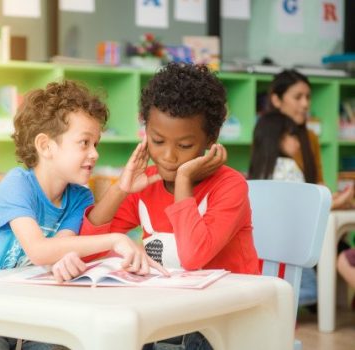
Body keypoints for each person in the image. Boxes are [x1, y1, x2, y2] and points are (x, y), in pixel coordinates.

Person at [0, 80, 165, 350]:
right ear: (45, 146)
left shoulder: (80, 196)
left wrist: (63, 262)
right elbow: (39, 250)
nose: (94, 153)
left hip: (32, 315)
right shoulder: (17, 185)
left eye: (96, 143)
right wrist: (115, 240)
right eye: (84, 142)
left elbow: (60, 248)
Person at [80, 63, 260, 350]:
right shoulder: (145, 183)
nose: (168, 156)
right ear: (145, 132)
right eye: (157, 140)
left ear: (209, 141)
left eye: (185, 145)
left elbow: (193, 256)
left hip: (226, 317)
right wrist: (121, 188)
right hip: (170, 311)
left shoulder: (231, 186)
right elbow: (89, 247)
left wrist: (184, 181)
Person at [248, 110, 318, 307]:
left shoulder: (258, 171)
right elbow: (304, 207)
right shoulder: (289, 167)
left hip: (262, 247)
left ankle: (267, 298)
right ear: (277, 138)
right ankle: (270, 302)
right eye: (292, 134)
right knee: (313, 292)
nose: (298, 141)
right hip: (292, 245)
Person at [268, 69, 354, 209]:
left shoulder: (310, 137)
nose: (305, 104)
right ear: (276, 100)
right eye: (298, 97)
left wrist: (329, 196)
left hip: (308, 207)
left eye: (308, 97)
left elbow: (317, 182)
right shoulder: (266, 134)